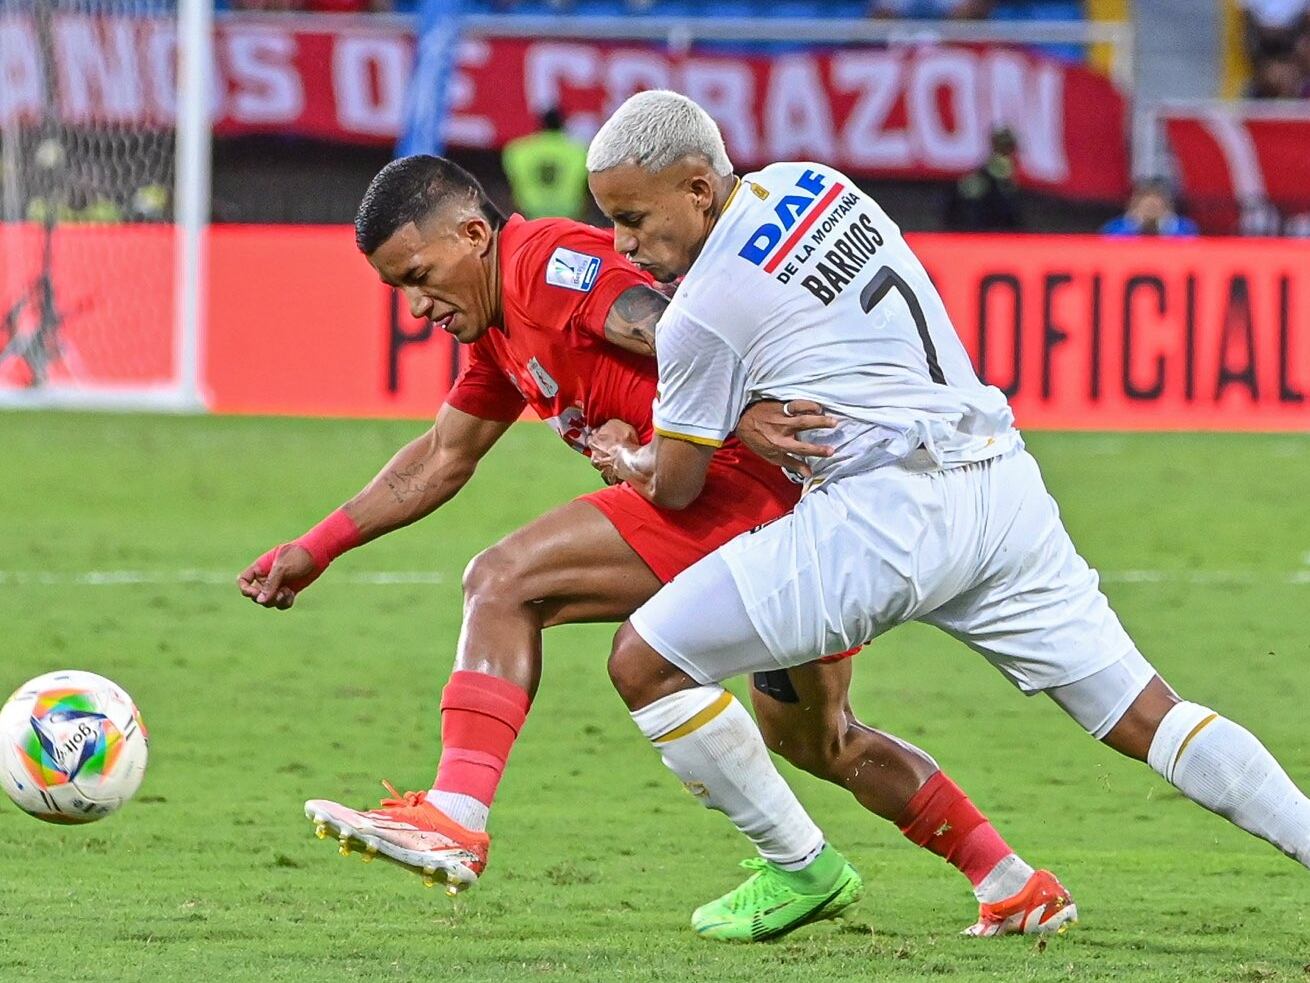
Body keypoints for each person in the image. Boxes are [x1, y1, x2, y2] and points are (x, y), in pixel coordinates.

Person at [236, 155, 1070, 941]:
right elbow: (439, 458)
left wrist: (735, 415)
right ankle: (1009, 882)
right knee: (819, 740)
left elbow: (672, 322)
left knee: (503, 581)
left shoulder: (545, 264)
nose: (415, 307)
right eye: (398, 290)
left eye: (418, 278)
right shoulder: (498, 331)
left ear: (473, 236)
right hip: (783, 510)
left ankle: (458, 814)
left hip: (726, 486)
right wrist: (319, 547)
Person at [583, 92, 1310, 924]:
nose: (622, 242)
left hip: (881, 518)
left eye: (633, 217)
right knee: (1149, 713)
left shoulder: (699, 313)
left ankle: (799, 867)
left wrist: (624, 455)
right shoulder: (815, 183)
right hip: (1001, 487)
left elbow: (676, 482)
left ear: (698, 189)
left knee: (644, 660)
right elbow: (804, 322)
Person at [502, 108, 591, 220]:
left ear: (541, 124)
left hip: (530, 210)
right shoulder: (578, 150)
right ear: (562, 124)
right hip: (568, 212)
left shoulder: (518, 150)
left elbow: (511, 180)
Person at [943, 127, 1023, 232]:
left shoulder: (1011, 170)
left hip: (1005, 231)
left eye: (1007, 144)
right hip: (985, 230)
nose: (1006, 148)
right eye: (1003, 144)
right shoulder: (984, 173)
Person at [1101, 179, 1198, 238]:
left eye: (1155, 206)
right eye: (1147, 206)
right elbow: (1109, 245)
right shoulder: (1116, 226)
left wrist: (1167, 226)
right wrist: (1134, 225)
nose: (1151, 209)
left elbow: (1190, 246)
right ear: (1136, 205)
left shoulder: (1184, 226)